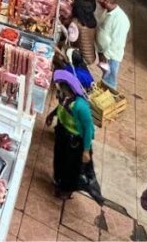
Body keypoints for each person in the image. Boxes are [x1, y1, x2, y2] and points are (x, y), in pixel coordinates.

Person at [46, 70, 94, 199]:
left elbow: (88, 128)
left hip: (75, 140)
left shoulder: (80, 106)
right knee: (59, 157)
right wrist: (52, 115)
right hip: (62, 131)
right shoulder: (64, 97)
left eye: (60, 86)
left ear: (68, 88)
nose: (58, 88)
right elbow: (60, 108)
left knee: (71, 166)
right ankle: (58, 180)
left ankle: (66, 190)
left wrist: (86, 150)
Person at [96, 0, 130, 88]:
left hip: (111, 56)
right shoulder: (108, 12)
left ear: (107, 1)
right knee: (105, 76)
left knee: (109, 80)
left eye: (100, 2)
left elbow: (117, 42)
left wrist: (106, 55)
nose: (99, 4)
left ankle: (107, 99)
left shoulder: (120, 20)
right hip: (104, 52)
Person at [71, 0, 98, 64]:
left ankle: (84, 62)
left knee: (85, 47)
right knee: (83, 44)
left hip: (85, 27)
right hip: (88, 25)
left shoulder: (83, 2)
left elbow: (78, 2)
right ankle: (78, 58)